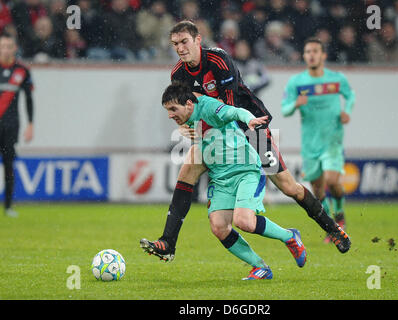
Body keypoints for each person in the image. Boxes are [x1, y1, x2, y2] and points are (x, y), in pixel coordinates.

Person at [142, 21, 351, 261]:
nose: (179, 48)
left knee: (288, 186)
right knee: (187, 173)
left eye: (184, 42)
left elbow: (229, 107)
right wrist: (187, 127)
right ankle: (168, 243)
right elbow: (184, 109)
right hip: (217, 134)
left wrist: (200, 120)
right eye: (175, 44)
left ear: (198, 40)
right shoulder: (178, 74)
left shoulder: (218, 61)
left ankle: (333, 229)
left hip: (250, 128)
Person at [141, 82, 307, 280]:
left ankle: (289, 236)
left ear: (188, 104)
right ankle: (260, 267)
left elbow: (236, 112)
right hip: (220, 177)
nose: (170, 115)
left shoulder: (210, 107)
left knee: (243, 221)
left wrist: (251, 120)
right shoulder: (187, 118)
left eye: (172, 109)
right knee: (219, 226)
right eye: (167, 110)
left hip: (246, 170)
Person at [281, 37, 355, 242]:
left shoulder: (336, 79)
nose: (311, 55)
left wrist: (346, 111)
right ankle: (331, 227)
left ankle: (339, 219)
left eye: (315, 51)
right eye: (307, 52)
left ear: (323, 55)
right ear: (304, 56)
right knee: (318, 190)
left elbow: (350, 96)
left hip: (332, 139)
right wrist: (296, 103)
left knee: (333, 181)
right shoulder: (296, 82)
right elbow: (284, 109)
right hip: (310, 144)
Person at [0, 33, 34, 217]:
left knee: (8, 165)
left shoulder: (22, 70)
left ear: (14, 48)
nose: (5, 50)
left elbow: (29, 99)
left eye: (8, 46)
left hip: (11, 125)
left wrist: (30, 124)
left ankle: (8, 207)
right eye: (2, 46)